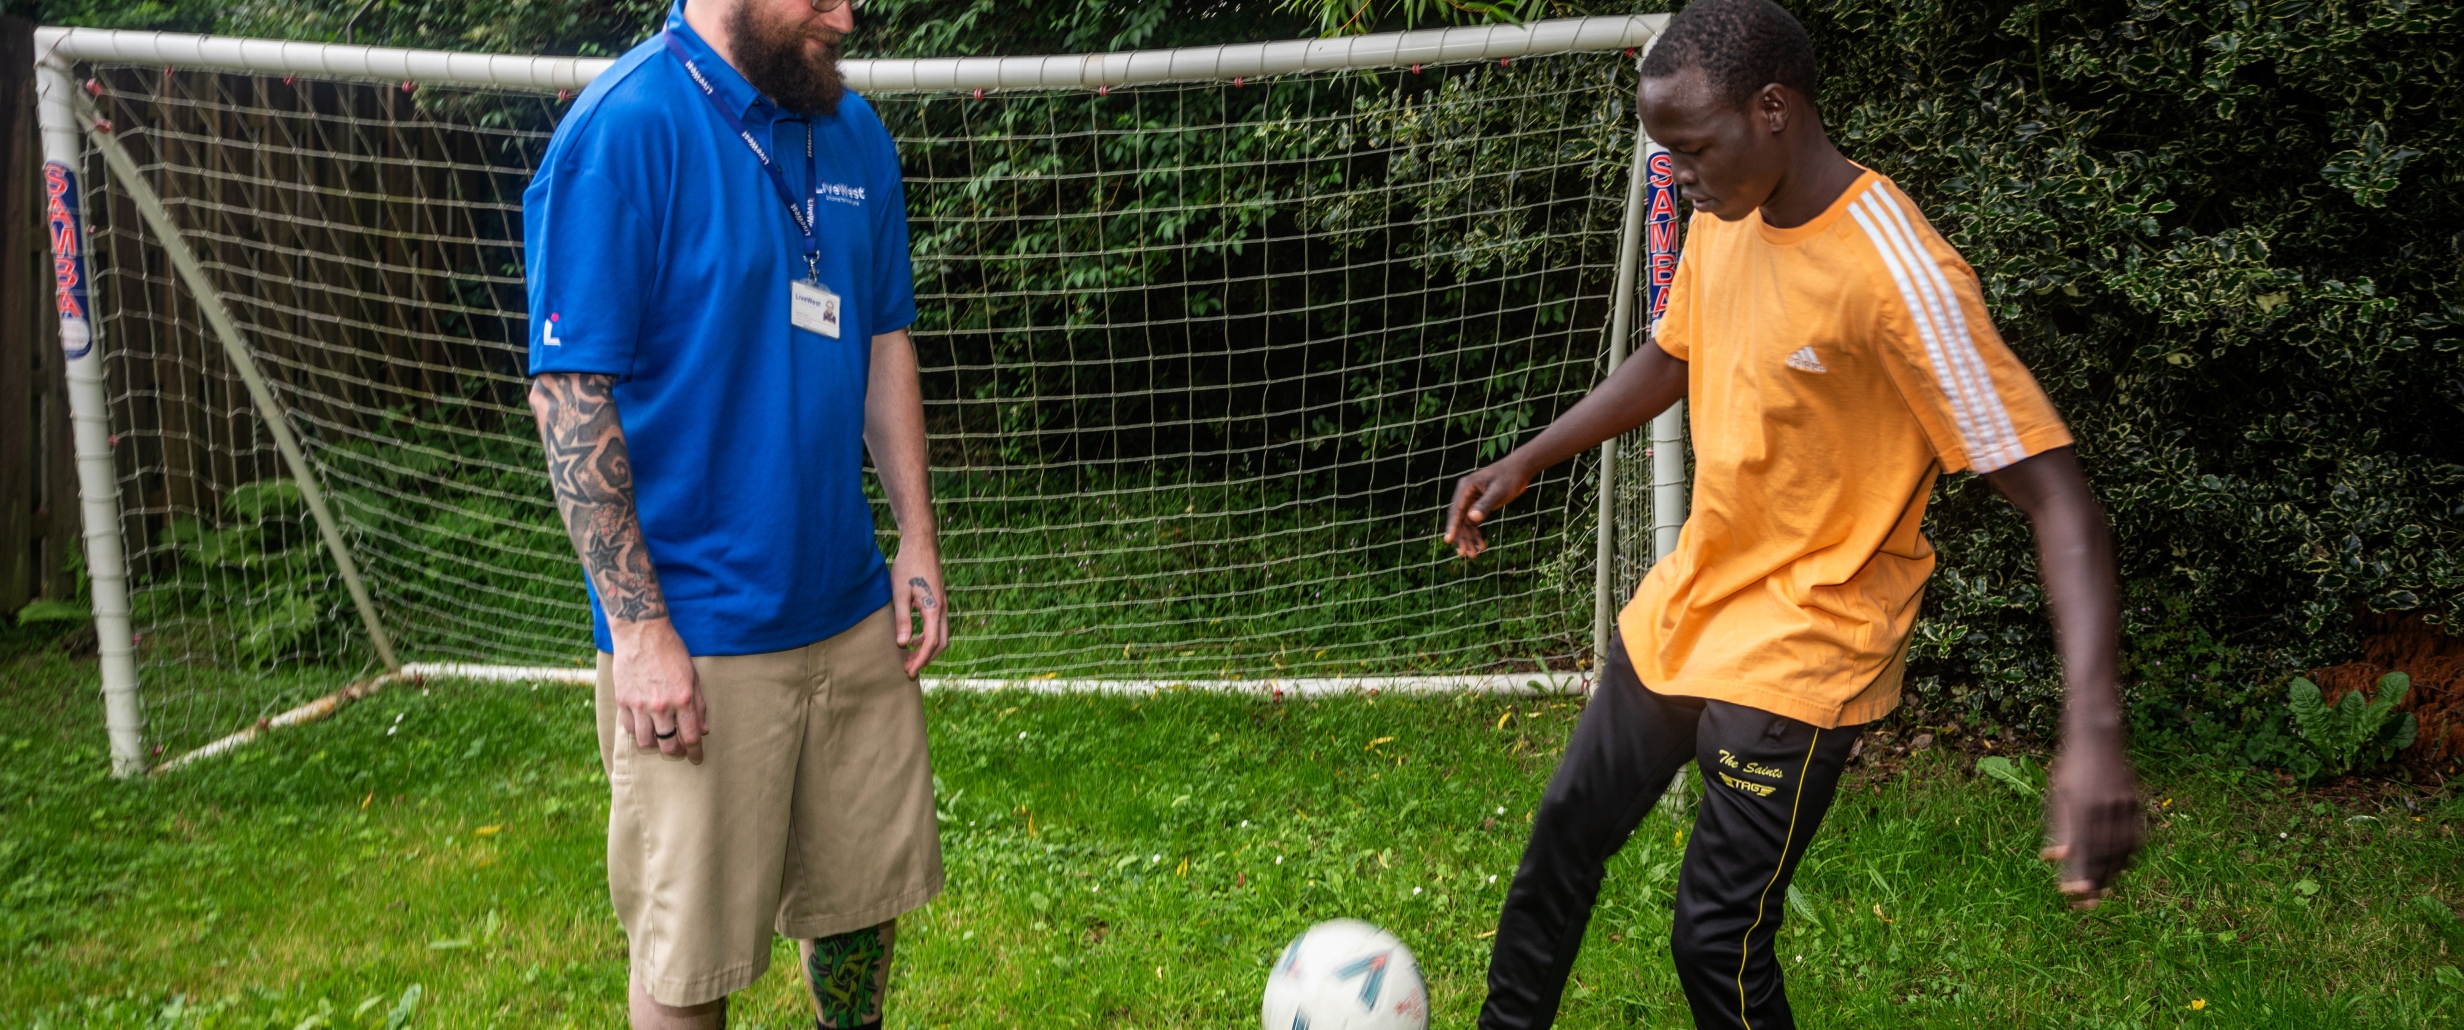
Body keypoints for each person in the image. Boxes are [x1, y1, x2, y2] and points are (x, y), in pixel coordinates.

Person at [1443, 1, 2145, 1027]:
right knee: (1561, 838)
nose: (1674, 173)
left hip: (1810, 637)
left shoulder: (1896, 274)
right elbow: (1674, 352)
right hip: (1694, 601)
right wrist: (1527, 458)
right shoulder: (1727, 211)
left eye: (1690, 146)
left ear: (1773, 109)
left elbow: (2057, 497)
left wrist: (2092, 731)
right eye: (1665, 150)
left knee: (1714, 938)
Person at [522, 0, 947, 1026]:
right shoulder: (624, 130)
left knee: (858, 898)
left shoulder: (850, 130)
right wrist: (639, 632)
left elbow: (884, 336)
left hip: (844, 605)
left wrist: (916, 540)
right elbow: (569, 398)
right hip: (698, 634)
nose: (846, 16)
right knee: (690, 959)